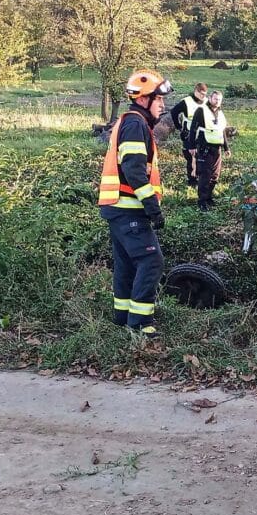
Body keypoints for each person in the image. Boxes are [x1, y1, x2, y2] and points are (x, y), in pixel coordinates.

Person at [97, 68, 173, 336]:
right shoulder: (135, 125)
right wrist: (153, 208)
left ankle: (123, 316)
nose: (162, 105)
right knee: (151, 261)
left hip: (119, 207)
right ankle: (140, 323)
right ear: (143, 99)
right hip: (128, 207)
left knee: (127, 264)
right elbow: (134, 170)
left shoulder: (131, 122)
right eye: (158, 99)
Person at [189, 90, 231, 211]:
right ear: (210, 98)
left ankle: (208, 197)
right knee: (205, 175)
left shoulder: (220, 113)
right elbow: (193, 128)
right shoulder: (201, 110)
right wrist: (191, 146)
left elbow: (222, 130)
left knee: (215, 175)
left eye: (219, 99)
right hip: (204, 147)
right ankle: (201, 201)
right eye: (215, 99)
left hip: (217, 148)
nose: (217, 101)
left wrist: (226, 148)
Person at [170, 82, 207, 186]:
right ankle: (192, 181)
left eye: (205, 94)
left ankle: (201, 178)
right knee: (190, 158)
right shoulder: (186, 102)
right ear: (196, 91)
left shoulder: (206, 102)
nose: (203, 96)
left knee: (202, 156)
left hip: (202, 134)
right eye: (201, 94)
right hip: (189, 133)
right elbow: (174, 112)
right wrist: (178, 126)